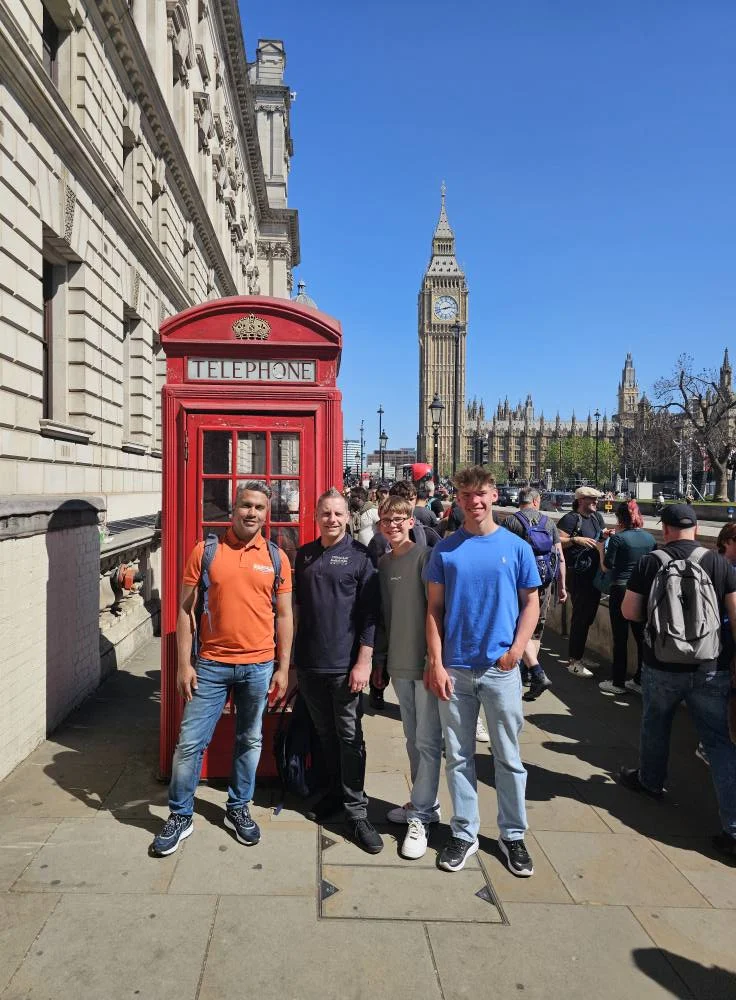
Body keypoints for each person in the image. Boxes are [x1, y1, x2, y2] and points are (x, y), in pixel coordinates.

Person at [151, 482, 293, 856]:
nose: (252, 513)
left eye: (260, 507)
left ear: (267, 513)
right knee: (189, 744)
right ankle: (181, 814)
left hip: (259, 664)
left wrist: (283, 667)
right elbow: (184, 610)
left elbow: (284, 615)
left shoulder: (277, 557)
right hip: (212, 664)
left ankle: (238, 807)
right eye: (246, 505)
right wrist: (184, 664)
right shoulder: (207, 550)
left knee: (250, 740)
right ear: (233, 510)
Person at [424, 466, 541, 876]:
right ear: (456, 499)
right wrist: (436, 663)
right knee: (458, 756)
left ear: (493, 497)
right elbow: (434, 610)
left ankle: (512, 835)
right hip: (455, 670)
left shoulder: (516, 547)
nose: (473, 501)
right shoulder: (446, 550)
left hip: (499, 669)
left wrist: (516, 651)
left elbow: (532, 603)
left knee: (508, 758)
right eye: (465, 494)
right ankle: (465, 831)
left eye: (481, 493)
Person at [620, 504, 736, 864]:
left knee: (656, 724)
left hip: (662, 664)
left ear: (665, 529)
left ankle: (651, 782)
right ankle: (733, 829)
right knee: (718, 743)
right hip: (710, 666)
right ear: (697, 527)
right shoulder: (719, 563)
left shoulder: (651, 562)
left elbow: (629, 612)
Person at [293, 488, 383, 854]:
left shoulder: (361, 559)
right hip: (311, 664)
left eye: (338, 513)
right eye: (325, 513)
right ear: (316, 517)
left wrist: (364, 662)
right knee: (325, 735)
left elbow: (371, 617)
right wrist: (292, 664)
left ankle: (357, 811)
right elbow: (295, 612)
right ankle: (333, 794)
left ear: (348, 517)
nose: (332, 519)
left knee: (350, 738)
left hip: (345, 666)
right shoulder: (304, 556)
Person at [371, 495, 442, 859]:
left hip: (424, 662)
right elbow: (384, 618)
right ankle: (421, 802)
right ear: (380, 524)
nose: (394, 525)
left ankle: (423, 813)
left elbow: (437, 610)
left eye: (400, 519)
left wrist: (436, 658)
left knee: (428, 741)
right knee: (413, 739)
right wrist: (379, 661)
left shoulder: (425, 557)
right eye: (388, 520)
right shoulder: (382, 564)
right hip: (398, 662)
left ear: (411, 521)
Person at [502, 487, 566, 700]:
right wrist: (562, 586)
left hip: (518, 582)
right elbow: (560, 557)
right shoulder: (548, 523)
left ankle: (525, 671)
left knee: (518, 625)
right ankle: (531, 673)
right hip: (544, 582)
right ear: (536, 501)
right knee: (536, 630)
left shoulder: (511, 523)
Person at [597, 500, 655, 696]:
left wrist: (600, 549)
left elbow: (607, 567)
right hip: (642, 592)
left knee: (620, 637)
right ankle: (640, 679)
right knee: (641, 638)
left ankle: (618, 681)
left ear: (620, 518)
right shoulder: (649, 538)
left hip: (621, 589)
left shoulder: (618, 540)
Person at [557, 487, 608, 677]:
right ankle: (574, 661)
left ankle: (579, 655)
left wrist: (605, 535)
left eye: (596, 499)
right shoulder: (570, 519)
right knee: (580, 618)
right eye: (591, 499)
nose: (596, 502)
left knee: (588, 618)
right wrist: (575, 539)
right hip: (578, 575)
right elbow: (557, 541)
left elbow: (598, 539)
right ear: (580, 500)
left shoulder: (597, 518)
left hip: (594, 576)